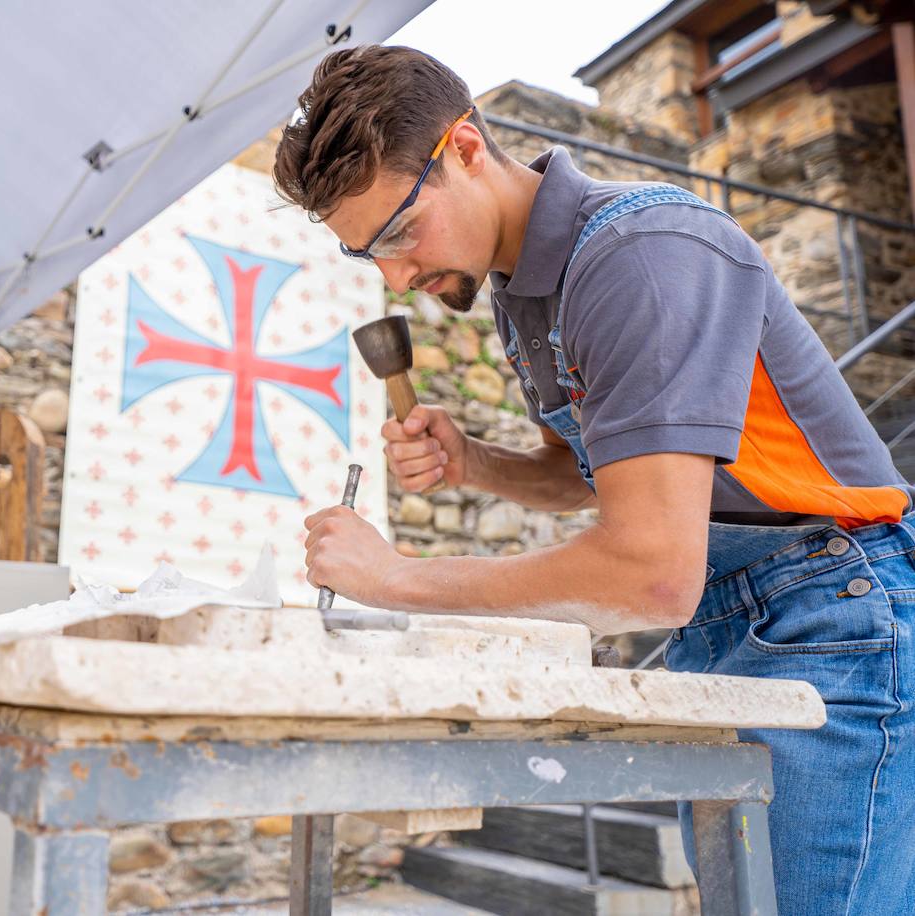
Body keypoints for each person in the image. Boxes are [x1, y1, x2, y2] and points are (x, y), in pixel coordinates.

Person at [277, 44, 915, 914]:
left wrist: (398, 581)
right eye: (367, 256)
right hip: (733, 620)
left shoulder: (638, 253)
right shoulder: (521, 289)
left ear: (465, 148)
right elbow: (595, 476)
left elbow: (650, 570)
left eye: (398, 234)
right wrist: (477, 463)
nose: (396, 277)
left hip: (830, 608)